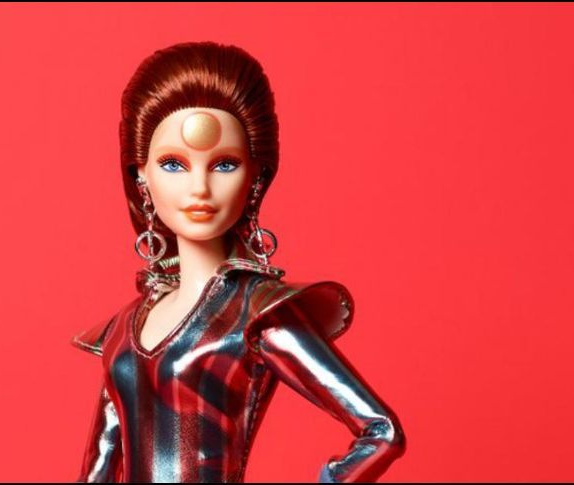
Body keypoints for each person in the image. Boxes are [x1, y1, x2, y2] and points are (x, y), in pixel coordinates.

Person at [70, 41, 406, 483]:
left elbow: (381, 432)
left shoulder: (256, 312)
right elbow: (97, 470)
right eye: (173, 164)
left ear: (256, 176)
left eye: (224, 165)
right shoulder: (124, 326)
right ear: (141, 174)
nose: (199, 188)